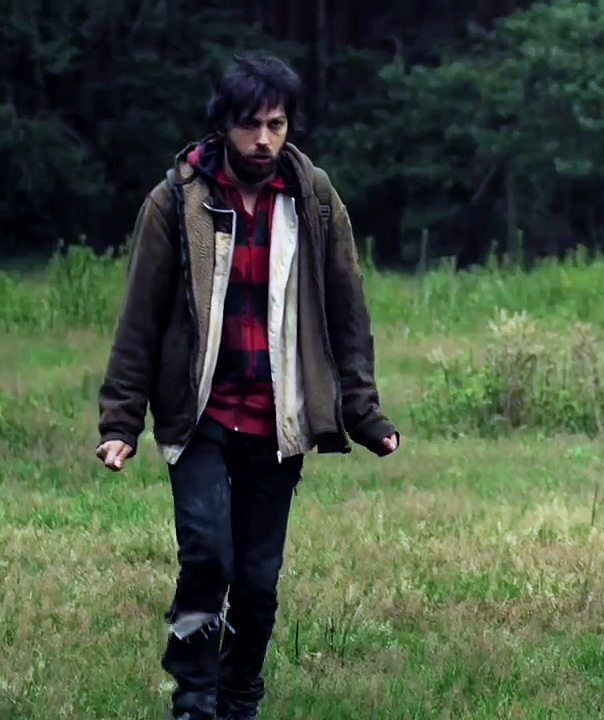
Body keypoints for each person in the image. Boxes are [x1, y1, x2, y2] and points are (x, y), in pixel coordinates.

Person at [95, 51, 400, 720]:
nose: (263, 140)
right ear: (222, 125)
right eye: (250, 125)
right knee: (207, 558)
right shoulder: (177, 201)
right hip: (200, 416)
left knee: (258, 584)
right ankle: (194, 696)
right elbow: (140, 318)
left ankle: (238, 697)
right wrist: (120, 422)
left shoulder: (314, 199)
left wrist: (364, 413)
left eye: (276, 125)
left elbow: (347, 311)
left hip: (276, 420)